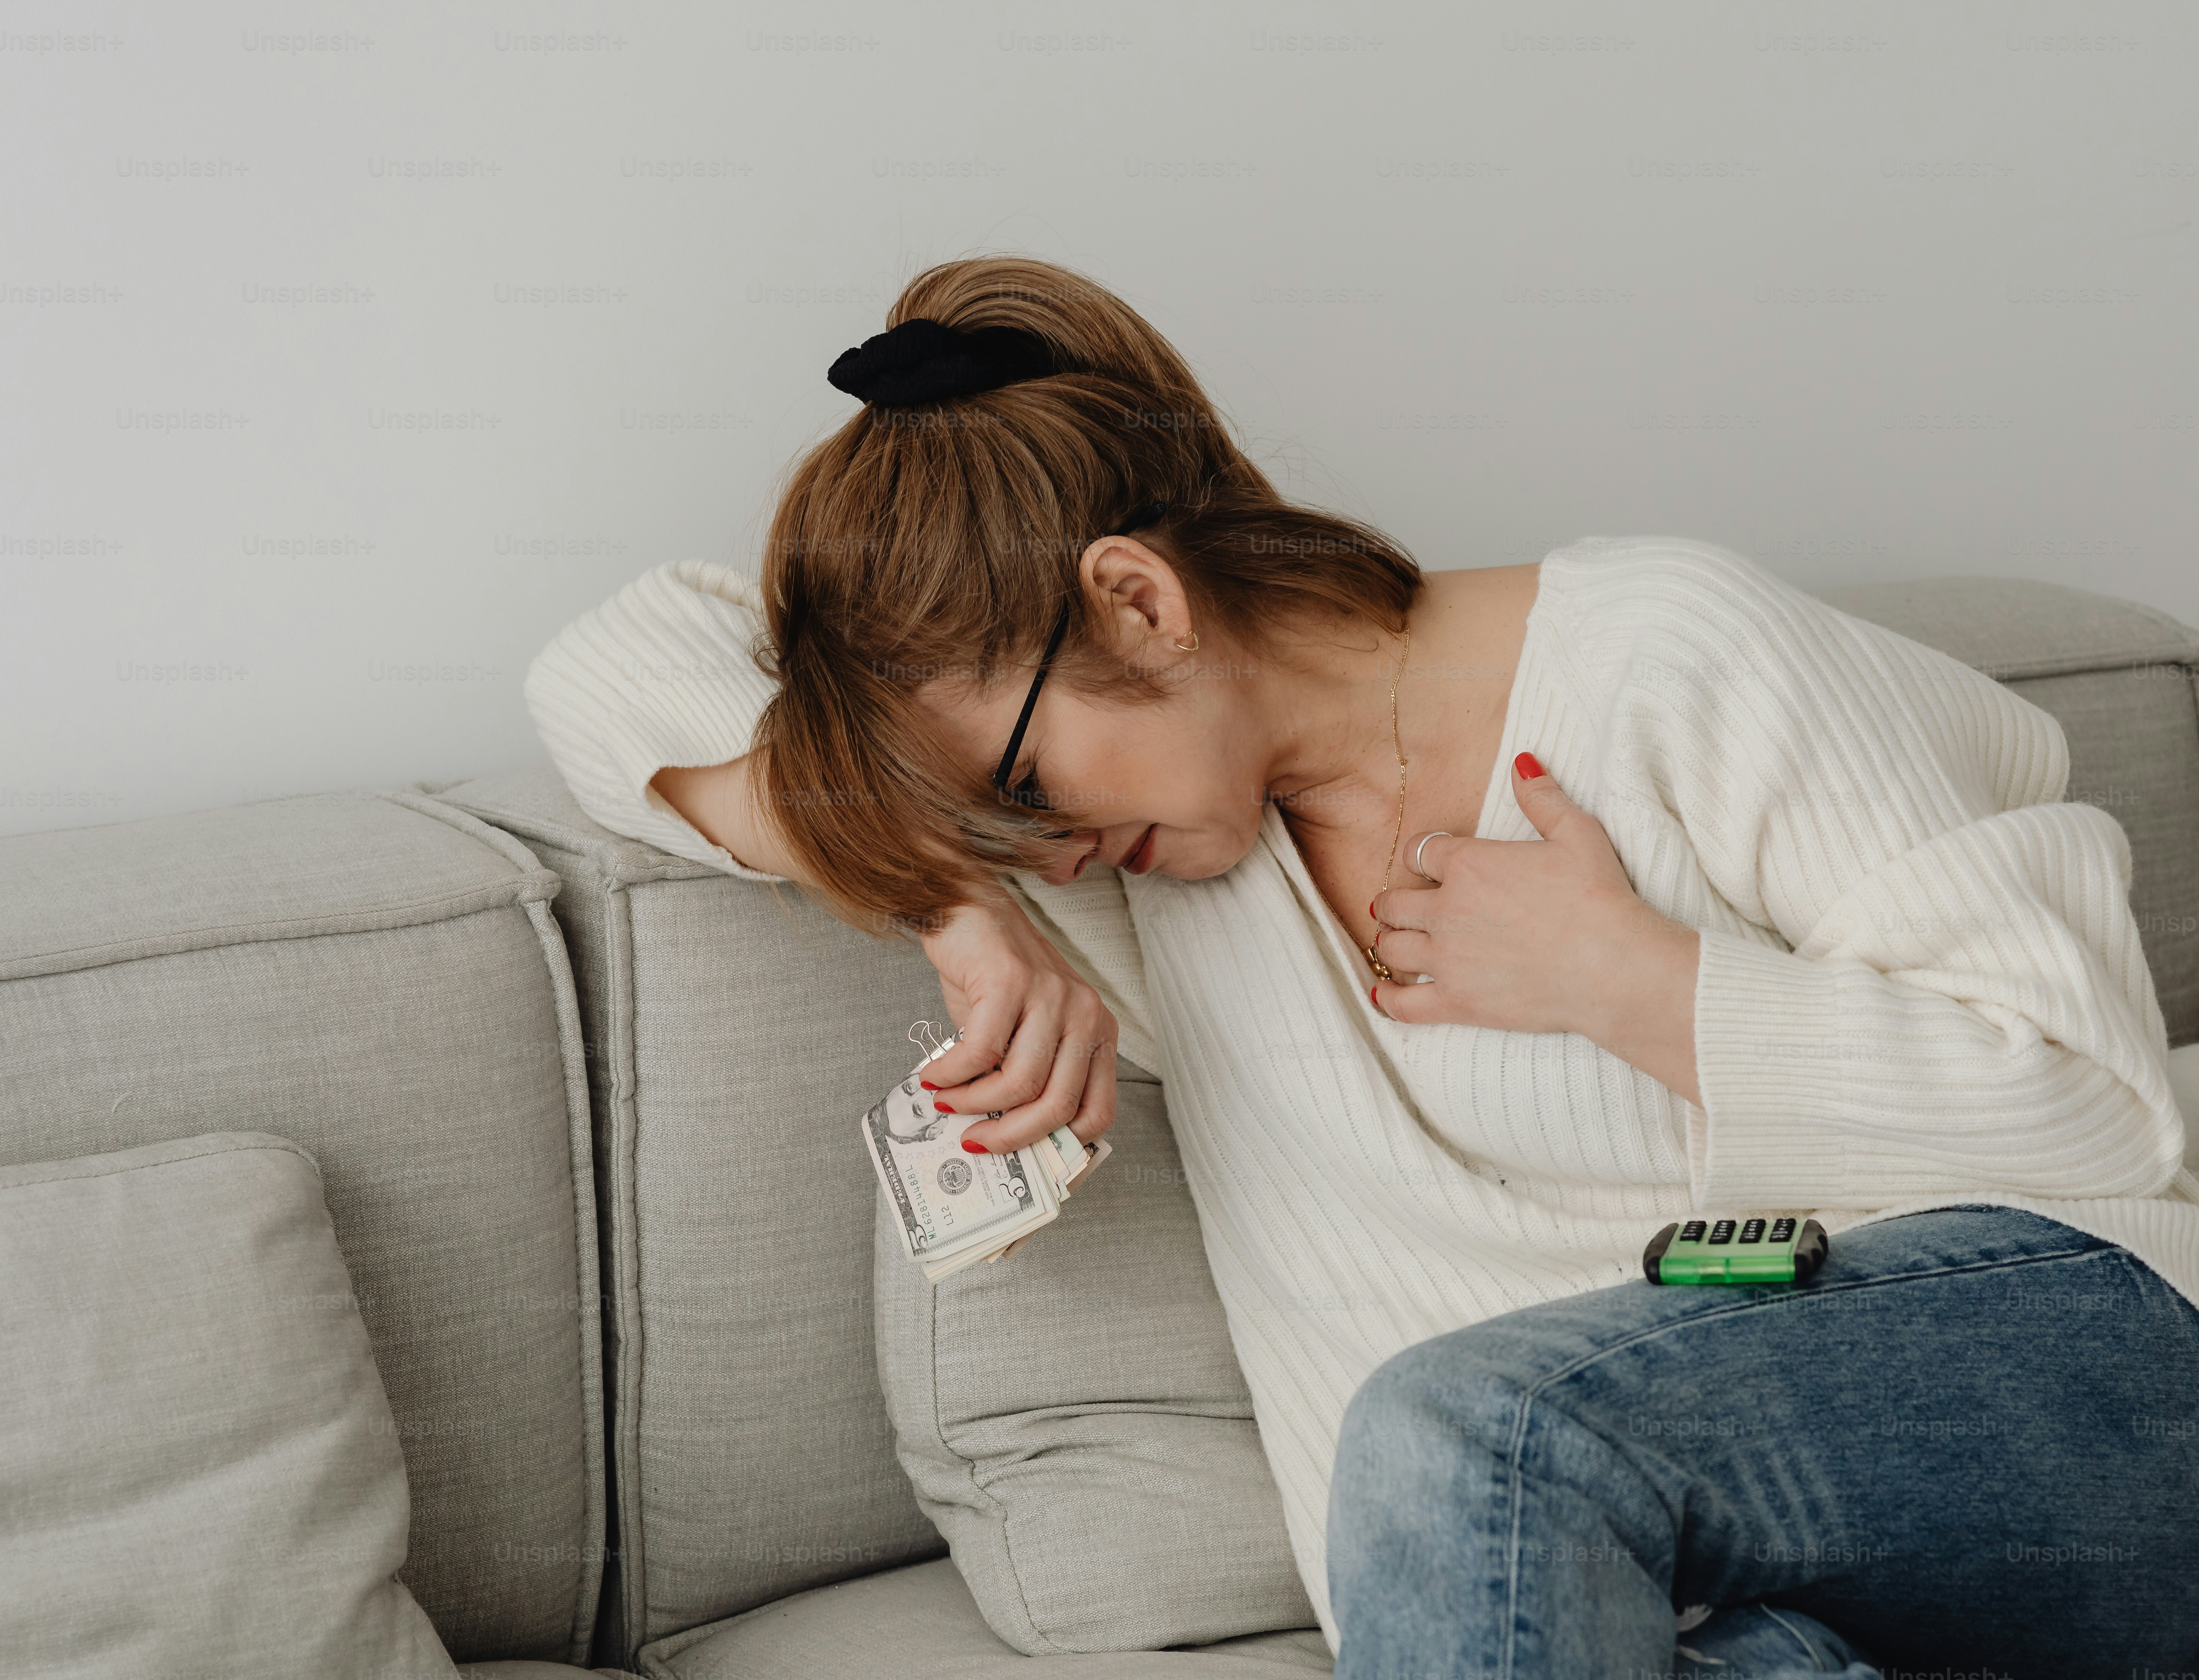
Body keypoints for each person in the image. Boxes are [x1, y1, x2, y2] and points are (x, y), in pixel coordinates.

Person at [525, 254, 2199, 1678]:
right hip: (1664, 1587)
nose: (1038, 845)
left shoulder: (1677, 658)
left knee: (1476, 1426)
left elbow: (2098, 1126)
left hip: (2075, 1394)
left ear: (1137, 603)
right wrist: (950, 896)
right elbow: (612, 674)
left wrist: (1634, 983)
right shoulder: (1147, 886)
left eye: (1023, 788)